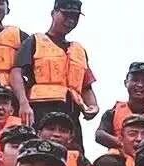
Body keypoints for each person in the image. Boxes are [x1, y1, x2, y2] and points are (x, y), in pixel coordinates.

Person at [10, 0, 99, 153]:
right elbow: (16, 72)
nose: (70, 20)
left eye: (75, 17)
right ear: (53, 13)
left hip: (71, 112)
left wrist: (93, 106)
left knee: (73, 155)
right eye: (66, 15)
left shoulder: (79, 50)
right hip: (41, 109)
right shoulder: (34, 41)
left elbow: (86, 86)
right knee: (39, 152)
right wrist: (23, 104)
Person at [95, 62, 144, 151]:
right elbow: (100, 134)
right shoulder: (113, 112)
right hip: (121, 158)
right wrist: (124, 143)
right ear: (126, 82)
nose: (140, 85)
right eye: (135, 80)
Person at [37, 111, 110, 166]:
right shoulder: (26, 155)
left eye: (63, 131)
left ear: (70, 138)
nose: (56, 134)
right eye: (50, 129)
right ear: (39, 134)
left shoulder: (77, 158)